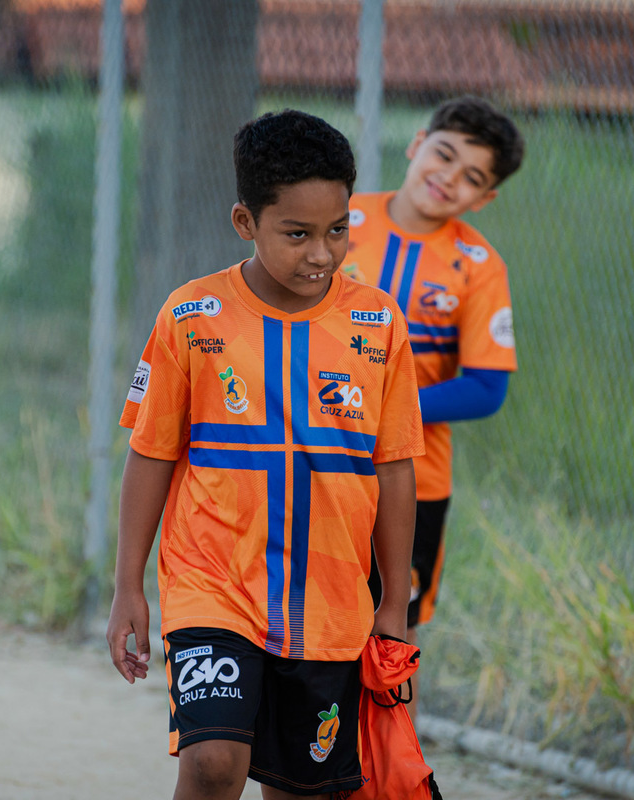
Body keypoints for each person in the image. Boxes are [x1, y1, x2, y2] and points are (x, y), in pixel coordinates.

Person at [106, 109, 425, 800]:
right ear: (245, 222)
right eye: (298, 233)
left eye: (338, 229)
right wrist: (128, 583)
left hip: (331, 604)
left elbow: (396, 470)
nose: (322, 253)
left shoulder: (378, 324)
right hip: (212, 583)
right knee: (212, 763)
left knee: (302, 789)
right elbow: (150, 453)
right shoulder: (190, 316)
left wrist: (393, 604)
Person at [349, 96, 524, 716]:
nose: (448, 177)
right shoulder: (340, 220)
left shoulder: (479, 267)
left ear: (485, 198)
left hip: (413, 481)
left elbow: (486, 387)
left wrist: (387, 409)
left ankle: (394, 762)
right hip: (308, 462)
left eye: (471, 176)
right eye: (443, 154)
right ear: (416, 142)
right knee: (299, 612)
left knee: (392, 630)